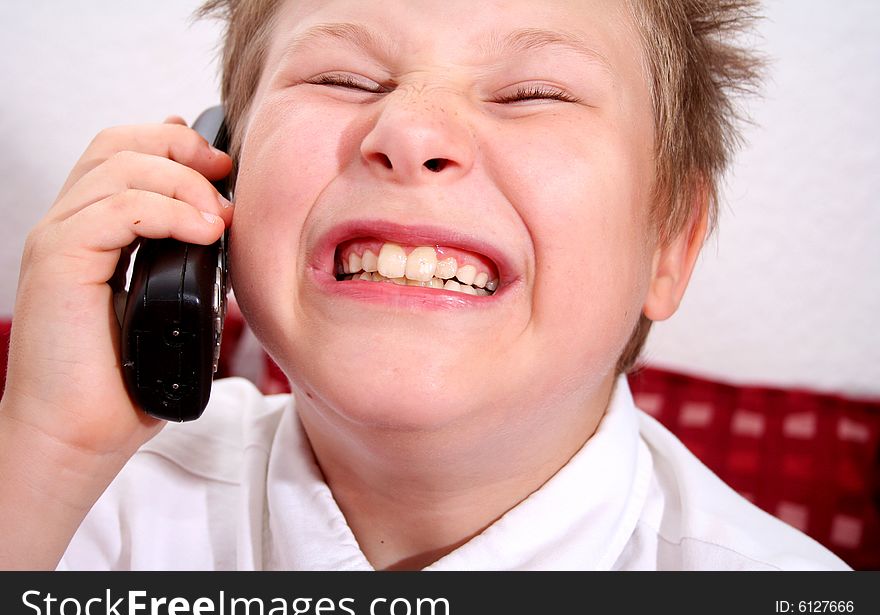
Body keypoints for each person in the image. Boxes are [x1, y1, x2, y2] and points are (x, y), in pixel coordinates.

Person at [0, 0, 849, 570]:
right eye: (344, 79)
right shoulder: (79, 500)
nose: (409, 131)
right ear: (223, 177)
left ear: (670, 241)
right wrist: (47, 453)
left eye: (532, 93)